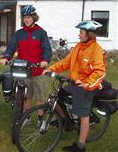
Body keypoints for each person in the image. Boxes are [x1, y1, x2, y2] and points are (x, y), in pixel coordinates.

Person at [43, 20, 106, 152]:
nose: (79, 35)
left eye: (81, 32)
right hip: (74, 83)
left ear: (90, 34)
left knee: (83, 114)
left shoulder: (96, 51)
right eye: (80, 32)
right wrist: (52, 69)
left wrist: (86, 83)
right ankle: (67, 121)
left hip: (87, 87)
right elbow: (66, 62)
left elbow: (99, 72)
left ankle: (80, 145)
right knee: (56, 97)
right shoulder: (78, 47)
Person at [0, 5, 52, 122]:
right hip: (23, 70)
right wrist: (6, 57)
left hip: (38, 70)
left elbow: (47, 49)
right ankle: (26, 117)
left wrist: (45, 60)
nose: (26, 19)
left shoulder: (41, 33)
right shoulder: (19, 33)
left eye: (29, 17)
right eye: (24, 17)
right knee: (25, 96)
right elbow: (12, 47)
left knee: (40, 97)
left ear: (34, 17)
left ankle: (40, 119)